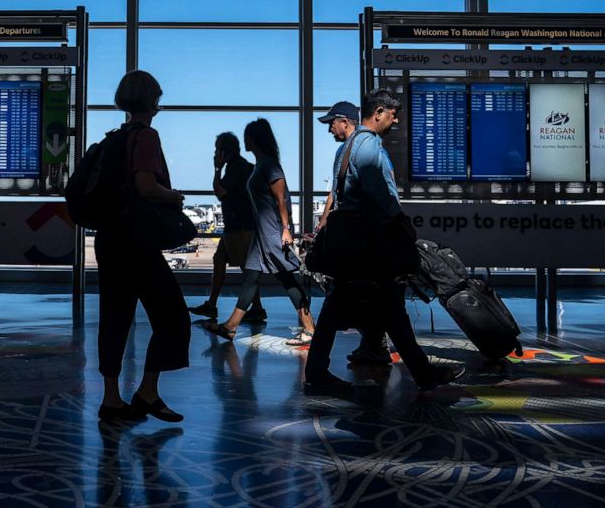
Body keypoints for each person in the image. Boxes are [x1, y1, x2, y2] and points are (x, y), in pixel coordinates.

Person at [304, 93, 465, 393]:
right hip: (370, 243)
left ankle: (317, 371)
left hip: (354, 244)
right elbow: (378, 192)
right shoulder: (368, 145)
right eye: (393, 114)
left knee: (363, 307)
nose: (396, 120)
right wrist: (398, 220)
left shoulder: (347, 147)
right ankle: (422, 374)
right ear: (378, 113)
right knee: (390, 306)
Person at [95, 70, 191, 424]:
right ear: (152, 99)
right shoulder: (147, 136)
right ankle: (147, 390)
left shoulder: (115, 138)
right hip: (137, 243)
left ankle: (111, 399)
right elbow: (146, 187)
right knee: (173, 317)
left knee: (115, 318)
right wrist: (175, 196)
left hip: (111, 239)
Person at [203, 119, 316, 345]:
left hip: (273, 232)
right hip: (261, 234)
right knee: (251, 278)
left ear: (254, 139)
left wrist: (285, 229)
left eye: (247, 137)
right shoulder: (260, 164)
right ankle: (230, 327)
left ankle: (310, 329)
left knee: (286, 279)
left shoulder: (269, 166)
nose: (244, 141)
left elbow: (281, 199)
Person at [187, 132, 265, 321]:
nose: (215, 153)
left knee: (247, 269)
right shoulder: (242, 166)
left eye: (217, 149)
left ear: (224, 151)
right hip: (239, 225)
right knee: (221, 259)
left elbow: (220, 192)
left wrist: (216, 170)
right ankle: (214, 305)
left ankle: (256, 308)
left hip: (239, 227)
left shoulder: (236, 168)